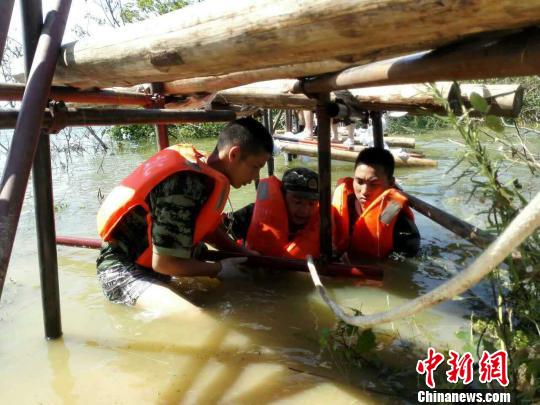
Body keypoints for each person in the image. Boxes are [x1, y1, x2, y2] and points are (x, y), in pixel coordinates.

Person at [96, 118, 273, 312]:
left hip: (163, 264)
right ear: (234, 154)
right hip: (124, 268)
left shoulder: (207, 171)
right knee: (201, 322)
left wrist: (243, 254)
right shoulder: (186, 183)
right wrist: (219, 269)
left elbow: (207, 229)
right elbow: (164, 263)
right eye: (255, 167)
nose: (256, 177)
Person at [332, 147, 420, 260]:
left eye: (373, 184)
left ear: (391, 183)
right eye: (359, 182)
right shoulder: (342, 206)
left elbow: (403, 267)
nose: (364, 191)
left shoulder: (401, 225)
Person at [223, 167, 320, 259]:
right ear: (283, 196)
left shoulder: (321, 223)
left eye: (311, 204)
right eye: (298, 202)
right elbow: (218, 229)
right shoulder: (254, 214)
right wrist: (240, 251)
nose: (305, 210)